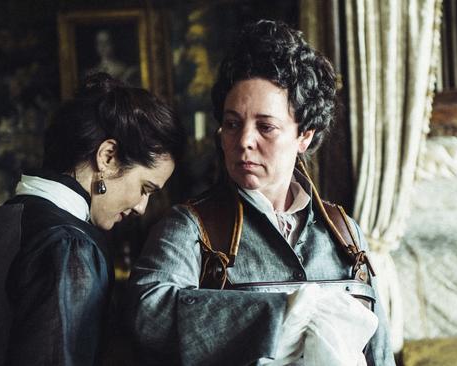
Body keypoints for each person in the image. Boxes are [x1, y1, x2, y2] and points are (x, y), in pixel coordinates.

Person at [127, 20, 395, 365]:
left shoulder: (344, 233)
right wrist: (280, 311)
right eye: (233, 123)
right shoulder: (191, 228)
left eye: (265, 127)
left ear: (305, 136)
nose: (244, 141)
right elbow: (146, 312)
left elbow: (381, 355)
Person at [0, 72, 185, 366]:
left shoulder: (5, 218)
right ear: (108, 157)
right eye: (145, 188)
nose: (142, 207)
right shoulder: (70, 246)